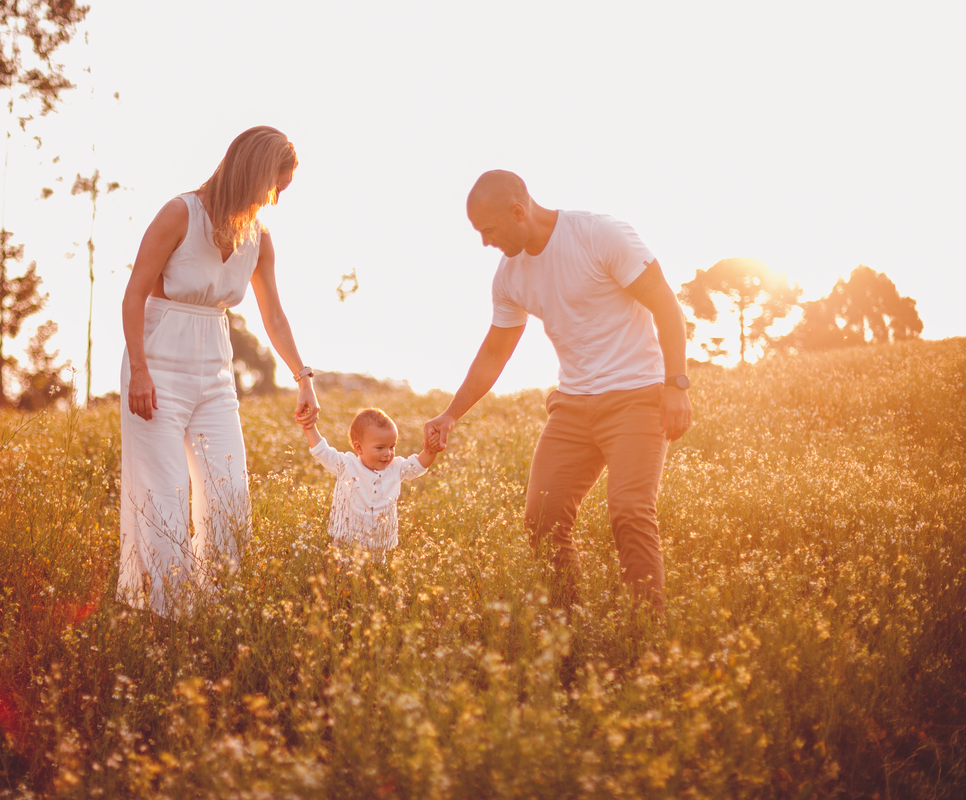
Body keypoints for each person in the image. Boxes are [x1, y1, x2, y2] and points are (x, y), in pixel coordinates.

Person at [423, 171, 692, 612]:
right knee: (541, 521)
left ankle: (647, 638)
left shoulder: (598, 235)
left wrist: (676, 384)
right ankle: (570, 630)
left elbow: (666, 305)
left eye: (487, 230)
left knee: (629, 511)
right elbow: (494, 352)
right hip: (572, 407)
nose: (485, 243)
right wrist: (451, 414)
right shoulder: (509, 277)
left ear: (518, 211)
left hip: (637, 398)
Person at [120, 126, 318, 615]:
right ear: (252, 172)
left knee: (230, 496)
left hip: (215, 373)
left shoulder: (258, 237)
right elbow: (134, 294)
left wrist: (303, 378)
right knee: (166, 494)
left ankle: (217, 609)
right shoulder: (179, 214)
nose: (273, 201)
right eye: (274, 187)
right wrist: (139, 371)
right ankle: (170, 618)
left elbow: (274, 316)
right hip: (157, 366)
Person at [299, 407, 437, 557]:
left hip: (378, 547)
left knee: (377, 578)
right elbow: (322, 451)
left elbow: (419, 465)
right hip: (345, 544)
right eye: (380, 447)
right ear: (359, 448)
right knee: (342, 578)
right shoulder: (347, 465)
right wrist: (309, 426)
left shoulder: (395, 468)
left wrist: (431, 450)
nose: (387, 453)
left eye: (392, 447)